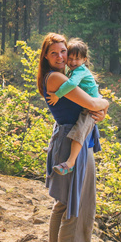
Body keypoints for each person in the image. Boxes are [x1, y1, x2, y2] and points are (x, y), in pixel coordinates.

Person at [37, 33, 109, 242]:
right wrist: (104, 102)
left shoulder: (61, 76)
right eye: (54, 53)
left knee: (66, 202)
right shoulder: (56, 78)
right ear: (45, 56)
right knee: (78, 202)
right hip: (72, 142)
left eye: (63, 52)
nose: (60, 57)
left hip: (68, 139)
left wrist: (98, 108)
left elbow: (89, 106)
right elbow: (91, 101)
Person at [45, 38, 104, 176]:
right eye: (70, 58)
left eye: (77, 59)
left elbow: (71, 84)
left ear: (84, 59)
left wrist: (57, 95)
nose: (72, 62)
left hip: (92, 105)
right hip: (91, 103)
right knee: (79, 128)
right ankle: (56, 147)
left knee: (80, 130)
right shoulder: (71, 71)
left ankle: (70, 162)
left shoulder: (79, 71)